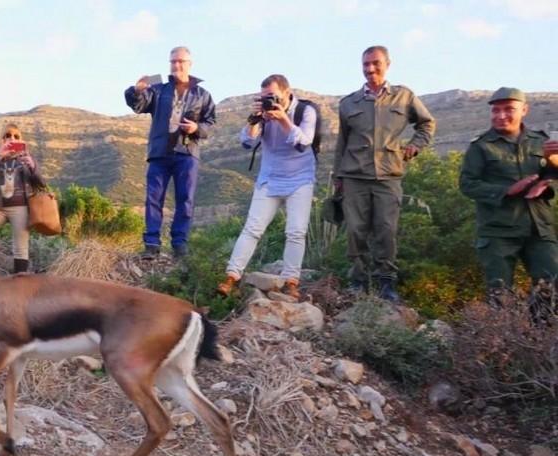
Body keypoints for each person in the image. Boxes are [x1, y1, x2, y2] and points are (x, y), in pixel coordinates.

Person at [333, 45, 435, 302]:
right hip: (354, 175)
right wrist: (338, 178)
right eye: (365, 64)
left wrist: (415, 146)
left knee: (386, 230)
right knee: (356, 231)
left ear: (387, 64)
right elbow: (342, 143)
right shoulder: (348, 103)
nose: (370, 69)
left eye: (375, 63)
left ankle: (386, 283)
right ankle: (358, 282)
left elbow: (427, 124)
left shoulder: (404, 97)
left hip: (389, 175)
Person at [217, 74, 318, 300]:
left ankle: (291, 281)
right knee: (252, 229)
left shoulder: (305, 111)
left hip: (300, 179)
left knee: (296, 232)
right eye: (264, 97)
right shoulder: (263, 115)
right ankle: (231, 277)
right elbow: (248, 142)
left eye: (273, 96)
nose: (269, 101)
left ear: (287, 93)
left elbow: (304, 141)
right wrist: (254, 121)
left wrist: (282, 119)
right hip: (270, 178)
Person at [459, 87, 558, 296]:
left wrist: (549, 176)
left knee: (551, 288)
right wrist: (508, 190)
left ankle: (541, 329)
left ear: (524, 110)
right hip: (499, 231)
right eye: (495, 110)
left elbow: (550, 173)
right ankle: (506, 329)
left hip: (539, 228)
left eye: (509, 109)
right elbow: (467, 184)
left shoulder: (541, 141)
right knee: (500, 294)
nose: (501, 115)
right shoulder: (481, 146)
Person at [125, 46, 216, 259]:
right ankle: (151, 244)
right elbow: (138, 105)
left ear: (189, 64)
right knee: (153, 198)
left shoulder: (202, 94)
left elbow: (210, 122)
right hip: (160, 152)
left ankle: (179, 244)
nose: (176, 65)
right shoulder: (158, 89)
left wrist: (197, 129)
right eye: (173, 61)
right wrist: (136, 91)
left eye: (180, 61)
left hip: (187, 152)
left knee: (185, 199)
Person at [0, 124, 45, 274]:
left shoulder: (26, 158)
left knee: (20, 248)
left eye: (16, 136)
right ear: (2, 138)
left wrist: (32, 167)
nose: (12, 138)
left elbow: (41, 183)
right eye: (8, 135)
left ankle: (21, 282)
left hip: (20, 207)